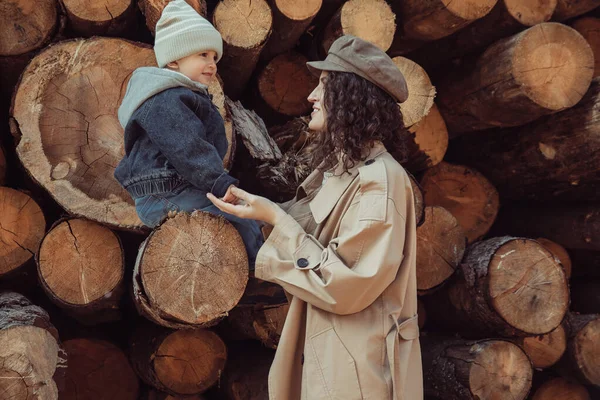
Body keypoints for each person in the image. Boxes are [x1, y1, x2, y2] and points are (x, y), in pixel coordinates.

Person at [209, 35, 423, 400]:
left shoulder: (380, 183)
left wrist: (276, 217)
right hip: (329, 360)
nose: (311, 96)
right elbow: (303, 233)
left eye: (324, 86)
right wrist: (255, 212)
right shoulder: (344, 171)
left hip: (353, 376)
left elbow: (346, 285)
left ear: (352, 97)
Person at [114, 0, 262, 267]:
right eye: (202, 55)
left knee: (241, 219)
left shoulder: (182, 95)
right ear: (173, 60)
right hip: (165, 191)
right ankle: (259, 275)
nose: (212, 64)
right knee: (241, 218)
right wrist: (219, 182)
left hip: (174, 187)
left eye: (214, 57)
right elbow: (187, 148)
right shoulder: (167, 99)